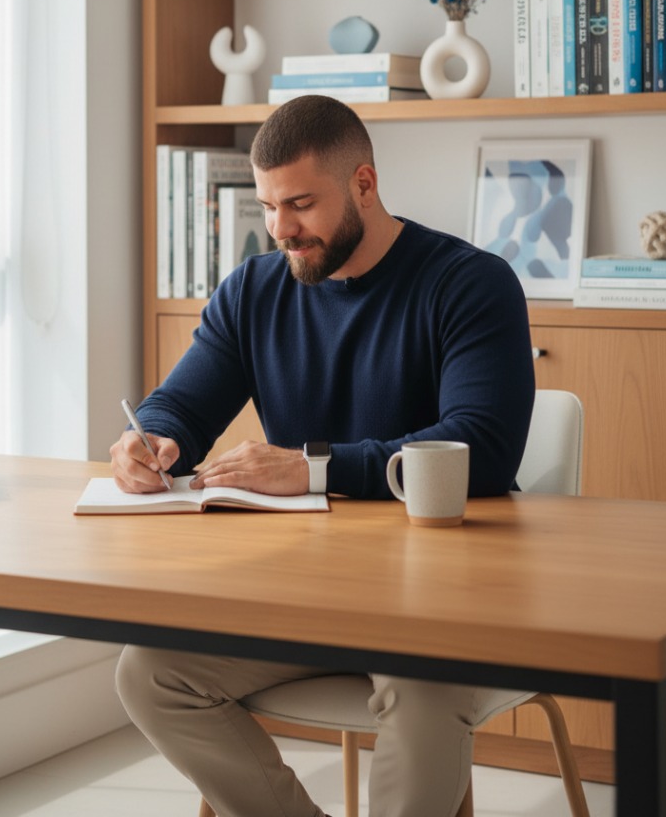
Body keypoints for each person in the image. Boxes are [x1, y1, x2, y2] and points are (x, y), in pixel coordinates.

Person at [112, 95, 535, 817]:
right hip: (306, 593)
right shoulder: (253, 290)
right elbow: (181, 404)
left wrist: (312, 467)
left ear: (363, 185)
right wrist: (149, 438)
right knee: (150, 673)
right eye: (270, 205)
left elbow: (483, 450)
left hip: (443, 600)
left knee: (425, 688)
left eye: (301, 204)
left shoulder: (468, 283)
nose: (280, 229)